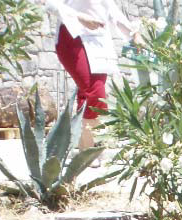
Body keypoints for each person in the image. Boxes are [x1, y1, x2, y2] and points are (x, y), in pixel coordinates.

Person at [44, 0, 140, 149]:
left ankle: (85, 149)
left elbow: (110, 8)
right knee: (95, 92)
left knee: (88, 95)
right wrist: (79, 17)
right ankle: (92, 148)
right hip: (72, 37)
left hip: (99, 41)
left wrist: (134, 34)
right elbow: (51, 4)